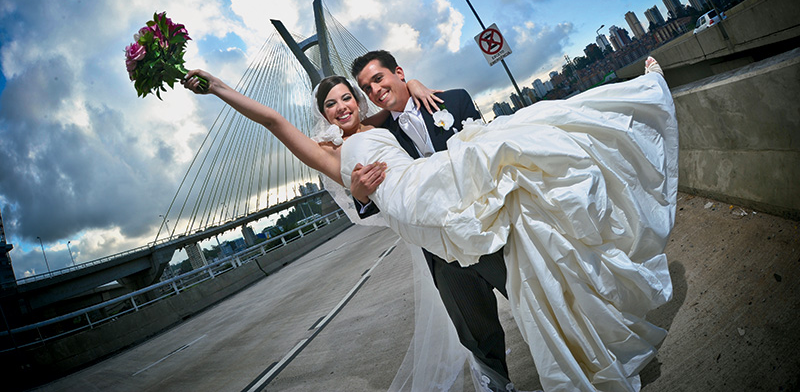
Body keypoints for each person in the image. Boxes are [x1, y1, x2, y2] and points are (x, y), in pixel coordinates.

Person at [184, 56, 677, 392]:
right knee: (474, 319)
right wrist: (220, 88)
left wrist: (414, 84)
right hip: (419, 213)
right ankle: (497, 381)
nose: (344, 105)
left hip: (432, 187)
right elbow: (274, 122)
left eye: (347, 97)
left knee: (512, 142)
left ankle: (630, 104)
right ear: (325, 117)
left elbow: (397, 97)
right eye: (332, 104)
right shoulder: (328, 154)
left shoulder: (383, 123)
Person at [349, 51, 515, 391]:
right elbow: (380, 198)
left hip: (490, 233)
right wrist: (360, 196)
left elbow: (489, 158)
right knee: (478, 335)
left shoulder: (454, 100)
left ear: (398, 72)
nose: (374, 91)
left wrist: (414, 85)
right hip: (443, 257)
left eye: (378, 79)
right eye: (366, 88)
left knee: (534, 303)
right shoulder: (381, 137)